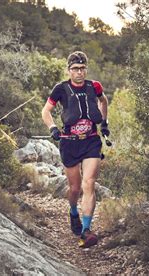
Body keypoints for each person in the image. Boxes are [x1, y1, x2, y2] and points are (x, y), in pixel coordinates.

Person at [41, 51, 109, 248]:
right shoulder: (60, 89)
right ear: (69, 70)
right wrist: (53, 128)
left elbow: (103, 101)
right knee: (75, 188)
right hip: (70, 143)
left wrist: (104, 122)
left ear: (86, 69)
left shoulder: (94, 86)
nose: (79, 72)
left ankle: (86, 231)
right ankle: (73, 211)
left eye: (82, 68)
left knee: (89, 183)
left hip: (91, 141)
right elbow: (46, 110)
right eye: (75, 69)